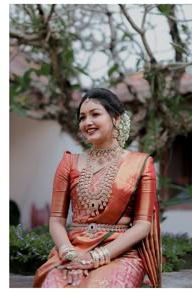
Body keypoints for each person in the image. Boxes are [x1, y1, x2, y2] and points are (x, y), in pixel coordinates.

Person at [33, 88, 161, 288]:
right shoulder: (68, 163)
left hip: (120, 253)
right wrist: (70, 255)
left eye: (95, 114)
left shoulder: (141, 164)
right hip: (72, 252)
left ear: (116, 119)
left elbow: (142, 225)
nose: (87, 122)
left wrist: (95, 257)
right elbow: (56, 221)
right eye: (82, 117)